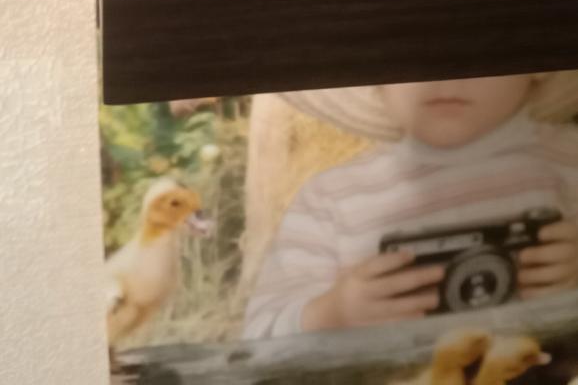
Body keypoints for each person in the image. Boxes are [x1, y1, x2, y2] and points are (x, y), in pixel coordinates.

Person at [244, 72, 578, 340]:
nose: (445, 76)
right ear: (375, 77)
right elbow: (257, 339)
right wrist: (331, 314)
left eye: (476, 49)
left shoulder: (571, 164)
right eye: (415, 53)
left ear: (539, 68)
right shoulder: (330, 200)